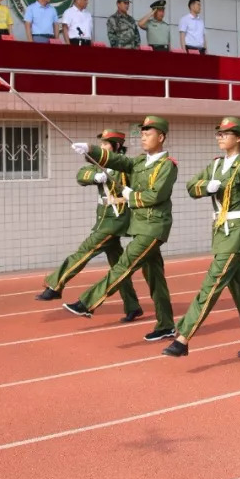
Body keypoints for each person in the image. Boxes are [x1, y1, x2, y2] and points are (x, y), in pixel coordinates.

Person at [164, 117, 240, 358]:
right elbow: (190, 186)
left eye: (225, 134)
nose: (220, 137)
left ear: (238, 138)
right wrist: (206, 186)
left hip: (236, 231)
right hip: (220, 230)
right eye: (218, 134)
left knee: (213, 282)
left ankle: (183, 337)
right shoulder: (216, 165)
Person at [65, 116, 176, 341]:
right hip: (140, 226)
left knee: (124, 265)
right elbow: (116, 160)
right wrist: (90, 150)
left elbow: (156, 195)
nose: (143, 137)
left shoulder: (168, 166)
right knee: (156, 278)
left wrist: (129, 195)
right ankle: (166, 325)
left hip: (154, 228)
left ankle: (88, 302)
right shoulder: (139, 162)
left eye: (148, 133)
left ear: (161, 137)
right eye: (142, 134)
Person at [35, 129, 143, 322]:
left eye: (105, 144)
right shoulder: (99, 165)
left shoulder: (124, 166)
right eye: (100, 144)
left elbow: (136, 185)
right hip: (104, 217)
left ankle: (55, 285)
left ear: (116, 147)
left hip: (117, 218)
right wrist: (94, 177)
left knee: (85, 250)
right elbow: (81, 175)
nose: (101, 147)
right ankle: (133, 306)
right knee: (119, 266)